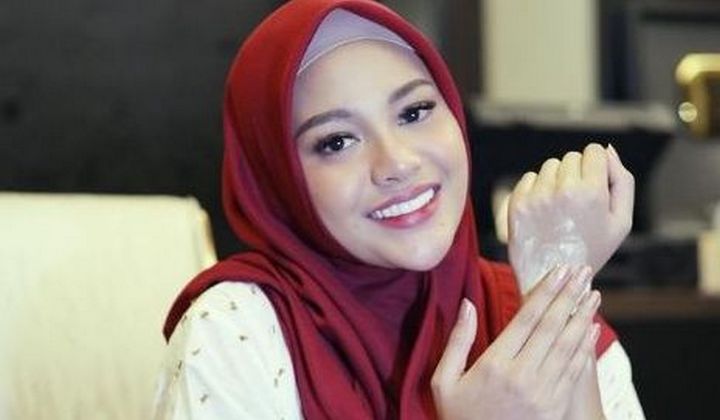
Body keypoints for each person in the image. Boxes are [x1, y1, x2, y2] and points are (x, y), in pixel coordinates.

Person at [154, 0, 643, 418]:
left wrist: (559, 293)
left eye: (414, 112)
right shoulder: (236, 329)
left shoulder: (518, 304)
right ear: (278, 177)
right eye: (337, 141)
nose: (397, 163)